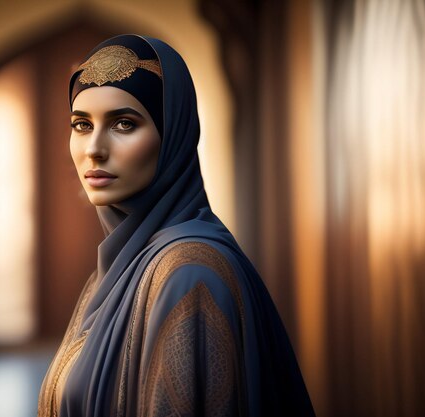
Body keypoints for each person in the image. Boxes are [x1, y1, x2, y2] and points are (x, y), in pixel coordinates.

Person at [37, 34, 315, 417]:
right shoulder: (117, 268)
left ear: (174, 137)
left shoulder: (189, 273)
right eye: (82, 125)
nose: (94, 149)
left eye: (123, 123)